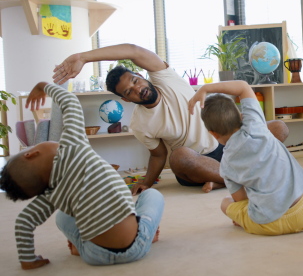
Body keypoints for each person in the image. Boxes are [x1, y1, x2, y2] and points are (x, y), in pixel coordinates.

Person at [52, 44, 289, 194]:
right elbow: (159, 155)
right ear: (126, 99)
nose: (137, 89)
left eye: (135, 81)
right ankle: (243, 176)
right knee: (179, 157)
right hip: (198, 161)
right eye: (129, 92)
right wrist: (146, 181)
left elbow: (133, 51)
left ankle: (225, 179)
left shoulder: (165, 78)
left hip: (229, 143)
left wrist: (83, 57)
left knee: (279, 127)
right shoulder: (139, 124)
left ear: (140, 75)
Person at [0, 81, 164, 269]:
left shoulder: (51, 195)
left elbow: (24, 222)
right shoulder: (73, 145)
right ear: (32, 153)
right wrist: (42, 86)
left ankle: (79, 245)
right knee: (152, 195)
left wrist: (27, 259)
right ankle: (147, 234)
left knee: (62, 217)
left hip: (93, 254)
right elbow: (69, 101)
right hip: (136, 246)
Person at [188, 80, 303, 235]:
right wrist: (206, 88)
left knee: (226, 203)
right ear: (240, 116)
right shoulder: (256, 125)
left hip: (270, 225)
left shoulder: (226, 164)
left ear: (213, 134)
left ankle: (252, 219)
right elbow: (243, 87)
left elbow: (241, 200)